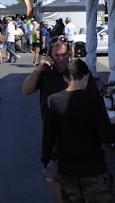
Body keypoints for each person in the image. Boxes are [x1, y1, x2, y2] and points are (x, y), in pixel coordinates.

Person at [22, 36, 103, 203]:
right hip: (54, 138)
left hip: (81, 137)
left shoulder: (79, 71)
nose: (61, 59)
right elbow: (26, 90)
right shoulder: (45, 73)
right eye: (57, 55)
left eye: (64, 54)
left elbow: (95, 100)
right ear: (50, 55)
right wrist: (38, 69)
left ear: (70, 53)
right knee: (56, 183)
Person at [42, 59, 115, 203]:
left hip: (67, 170)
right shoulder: (94, 100)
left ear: (65, 78)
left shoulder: (53, 101)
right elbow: (107, 135)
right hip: (94, 169)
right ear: (86, 76)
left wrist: (47, 163)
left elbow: (48, 137)